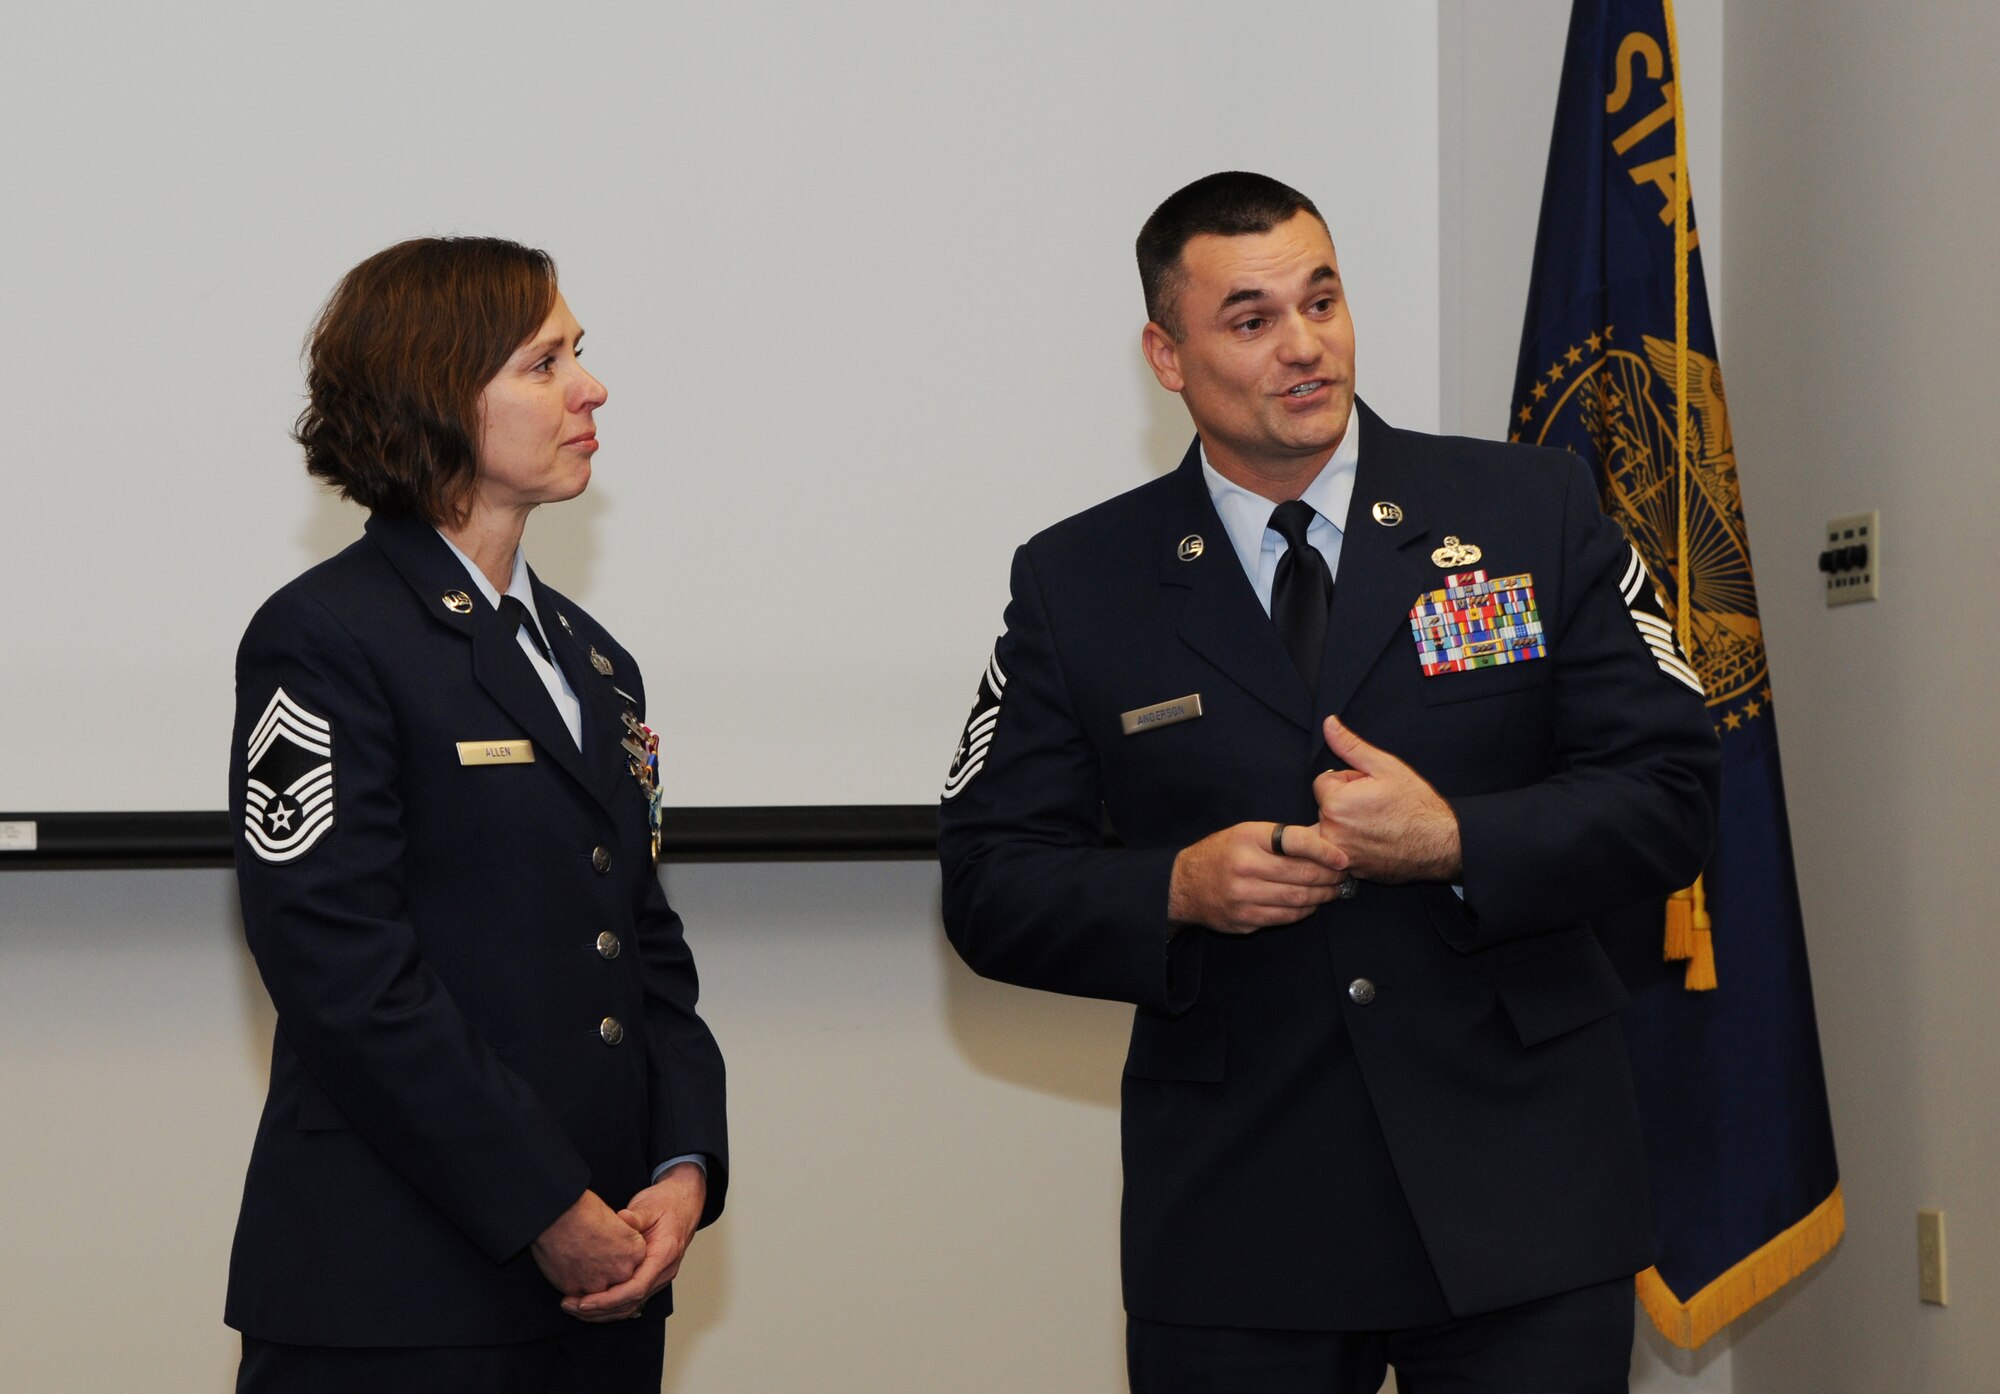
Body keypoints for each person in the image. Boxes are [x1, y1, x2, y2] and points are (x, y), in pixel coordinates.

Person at [937, 172, 1720, 1393]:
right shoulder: (1077, 579)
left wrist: (1457, 838)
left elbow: (1669, 785)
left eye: (1323, 300)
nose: (1304, 348)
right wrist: (1176, 889)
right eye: (1250, 320)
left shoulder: (1527, 509)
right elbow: (989, 881)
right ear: (1165, 351)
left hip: (1521, 1191)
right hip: (1244, 1217)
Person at [225, 237, 727, 1393]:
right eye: (545, 361)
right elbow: (339, 964)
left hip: (601, 1278)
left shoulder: (596, 664)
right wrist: (543, 1200)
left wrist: (683, 1160)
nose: (590, 388)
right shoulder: (327, 636)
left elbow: (643, 942)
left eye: (579, 355)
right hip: (398, 1290)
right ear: (438, 392)